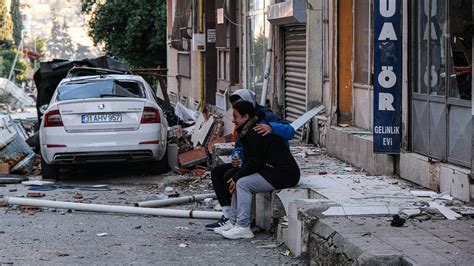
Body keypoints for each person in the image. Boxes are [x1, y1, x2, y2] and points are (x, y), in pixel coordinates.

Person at [205, 89, 295, 230]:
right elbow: (243, 147)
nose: (234, 119)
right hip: (256, 161)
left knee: (237, 180)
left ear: (246, 114)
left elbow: (290, 131)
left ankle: (241, 223)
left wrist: (271, 127)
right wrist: (237, 155)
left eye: (240, 107)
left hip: (273, 164)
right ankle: (229, 217)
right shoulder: (244, 128)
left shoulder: (265, 118)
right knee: (219, 172)